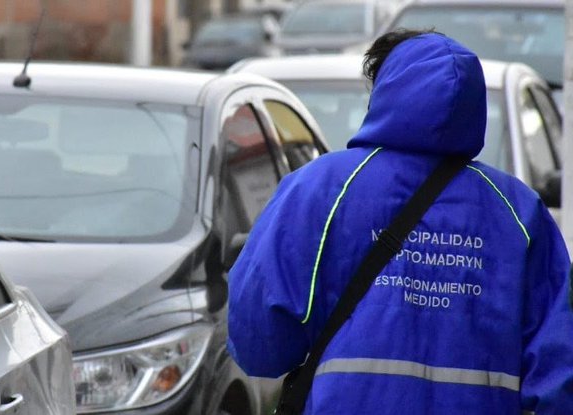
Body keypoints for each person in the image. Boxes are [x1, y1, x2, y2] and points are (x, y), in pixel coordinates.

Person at [227, 29, 573, 414]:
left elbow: (259, 345)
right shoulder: (519, 213)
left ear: (385, 92)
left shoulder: (319, 190)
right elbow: (561, 367)